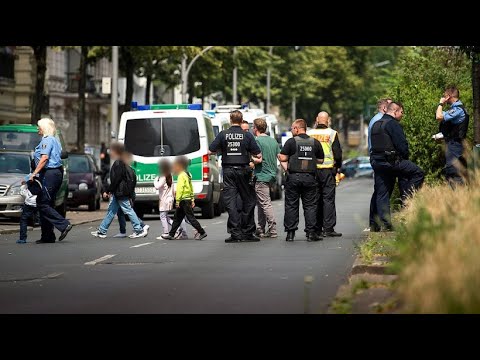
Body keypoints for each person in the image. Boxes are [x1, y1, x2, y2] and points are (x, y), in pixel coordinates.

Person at [209, 110, 262, 243]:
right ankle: (248, 232)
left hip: (228, 171)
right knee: (249, 200)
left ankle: (235, 233)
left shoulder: (223, 134)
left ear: (230, 120)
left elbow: (211, 150)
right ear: (241, 119)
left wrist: (223, 150)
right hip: (243, 170)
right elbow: (259, 154)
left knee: (231, 202)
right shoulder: (247, 135)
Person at [370, 102, 425, 230]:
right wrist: (404, 158)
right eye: (401, 112)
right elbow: (402, 146)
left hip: (378, 163)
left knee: (382, 193)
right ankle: (407, 197)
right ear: (395, 111)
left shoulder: (376, 124)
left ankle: (386, 224)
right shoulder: (393, 124)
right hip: (393, 162)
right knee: (418, 173)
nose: (402, 115)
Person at [278, 119, 324, 242]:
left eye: (293, 128)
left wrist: (287, 164)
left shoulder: (291, 142)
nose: (292, 130)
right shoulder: (315, 142)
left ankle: (290, 234)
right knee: (310, 206)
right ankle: (310, 233)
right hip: (310, 178)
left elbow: (282, 157)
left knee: (291, 205)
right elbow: (320, 160)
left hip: (293, 177)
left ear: (297, 128)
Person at [91, 143, 147, 239]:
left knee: (128, 210)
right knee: (111, 211)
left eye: (112, 151)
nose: (110, 153)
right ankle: (102, 231)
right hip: (118, 193)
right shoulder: (120, 162)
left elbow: (116, 179)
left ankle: (139, 230)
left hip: (120, 192)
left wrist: (108, 191)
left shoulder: (119, 163)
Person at [30, 118, 72, 244]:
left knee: (42, 203)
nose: (38, 129)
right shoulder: (54, 140)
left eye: (39, 127)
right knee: (48, 203)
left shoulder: (47, 140)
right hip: (54, 173)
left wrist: (34, 173)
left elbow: (44, 158)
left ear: (44, 128)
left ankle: (64, 225)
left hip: (50, 173)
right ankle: (47, 236)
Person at [308, 111, 343, 237]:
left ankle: (316, 228)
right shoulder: (332, 133)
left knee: (315, 199)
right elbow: (337, 153)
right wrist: (338, 168)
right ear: (327, 121)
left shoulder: (309, 133)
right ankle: (328, 229)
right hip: (328, 170)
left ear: (317, 120)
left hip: (313, 171)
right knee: (328, 199)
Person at [161, 156, 207, 240]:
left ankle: (202, 232)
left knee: (190, 218)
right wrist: (192, 199)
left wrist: (177, 200)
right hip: (187, 199)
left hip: (183, 200)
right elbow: (190, 187)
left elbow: (180, 189)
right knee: (177, 218)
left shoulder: (181, 175)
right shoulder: (187, 174)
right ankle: (171, 234)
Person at [436, 85, 469, 186]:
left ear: (449, 96)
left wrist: (441, 103)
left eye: (444, 95)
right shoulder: (454, 109)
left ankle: (458, 198)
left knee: (454, 171)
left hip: (455, 145)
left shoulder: (458, 110)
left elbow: (438, 116)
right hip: (453, 144)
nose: (443, 97)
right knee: (451, 172)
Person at [252, 117, 280, 238]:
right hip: (271, 175)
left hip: (262, 175)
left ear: (255, 128)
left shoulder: (257, 141)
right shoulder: (273, 141)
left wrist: (249, 158)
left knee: (265, 203)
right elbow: (279, 156)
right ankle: (260, 228)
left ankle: (272, 229)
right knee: (261, 203)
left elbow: (258, 159)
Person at [115, 151, 149, 238]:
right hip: (126, 193)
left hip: (125, 194)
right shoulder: (128, 169)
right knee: (122, 212)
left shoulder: (128, 170)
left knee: (128, 211)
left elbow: (130, 184)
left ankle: (139, 229)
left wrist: (128, 195)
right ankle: (124, 231)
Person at [153, 159, 188, 239]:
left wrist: (155, 180)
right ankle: (178, 228)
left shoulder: (163, 176)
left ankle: (166, 233)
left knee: (163, 216)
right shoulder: (170, 175)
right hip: (169, 199)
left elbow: (157, 186)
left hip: (165, 200)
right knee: (165, 216)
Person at [16, 177, 41, 244]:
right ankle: (47, 234)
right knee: (42, 218)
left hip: (29, 203)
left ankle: (22, 239)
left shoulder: (28, 179)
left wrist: (23, 185)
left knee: (24, 219)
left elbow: (22, 193)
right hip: (39, 202)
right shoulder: (40, 180)